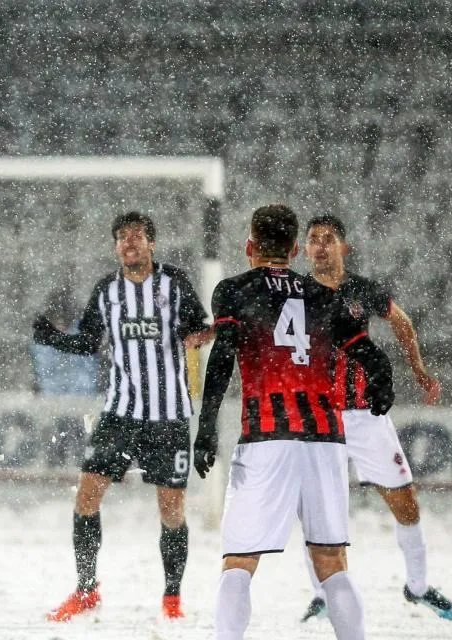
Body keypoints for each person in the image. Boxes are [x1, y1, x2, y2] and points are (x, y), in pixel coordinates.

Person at [190, 204, 395, 640]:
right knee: (331, 563)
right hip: (325, 439)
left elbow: (223, 356)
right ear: (296, 248)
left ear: (250, 246)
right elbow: (370, 355)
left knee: (239, 562)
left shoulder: (234, 290)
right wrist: (383, 385)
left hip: (267, 436)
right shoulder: (324, 294)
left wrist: (206, 427)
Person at [33, 211, 213, 621]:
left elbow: (201, 329)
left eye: (137, 236)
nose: (129, 243)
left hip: (169, 416)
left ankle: (172, 599)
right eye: (122, 237)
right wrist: (54, 338)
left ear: (152, 243)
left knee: (171, 511)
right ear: (115, 246)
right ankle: (86, 589)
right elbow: (87, 343)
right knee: (86, 498)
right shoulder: (107, 291)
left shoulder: (175, 283)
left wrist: (202, 335)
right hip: (120, 412)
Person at [299, 214, 452, 622]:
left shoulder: (362, 290)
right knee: (321, 516)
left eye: (329, 239)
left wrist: (418, 369)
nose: (320, 246)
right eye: (313, 239)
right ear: (304, 249)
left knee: (405, 504)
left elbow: (402, 322)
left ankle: (418, 586)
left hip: (365, 417)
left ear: (344, 247)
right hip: (318, 420)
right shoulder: (296, 294)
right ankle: (324, 593)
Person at [30, 287, 100, 396]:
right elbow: (43, 372)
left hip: (82, 398)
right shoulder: (42, 343)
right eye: (56, 318)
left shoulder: (83, 337)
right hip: (54, 398)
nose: (60, 324)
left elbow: (88, 374)